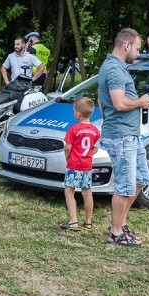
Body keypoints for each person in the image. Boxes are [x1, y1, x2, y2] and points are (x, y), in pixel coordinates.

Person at [97, 28, 149, 247]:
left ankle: (120, 224)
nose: (139, 53)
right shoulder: (113, 69)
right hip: (121, 137)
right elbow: (119, 103)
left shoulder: (115, 67)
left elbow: (101, 101)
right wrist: (140, 102)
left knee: (141, 179)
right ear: (126, 46)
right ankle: (115, 232)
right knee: (125, 186)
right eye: (138, 48)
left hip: (130, 135)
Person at [60, 97, 100, 230]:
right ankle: (88, 222)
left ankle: (73, 221)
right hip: (87, 166)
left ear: (78, 113)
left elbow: (67, 147)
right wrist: (88, 155)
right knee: (87, 192)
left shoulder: (74, 129)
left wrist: (68, 157)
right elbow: (95, 148)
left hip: (74, 165)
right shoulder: (95, 131)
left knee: (69, 191)